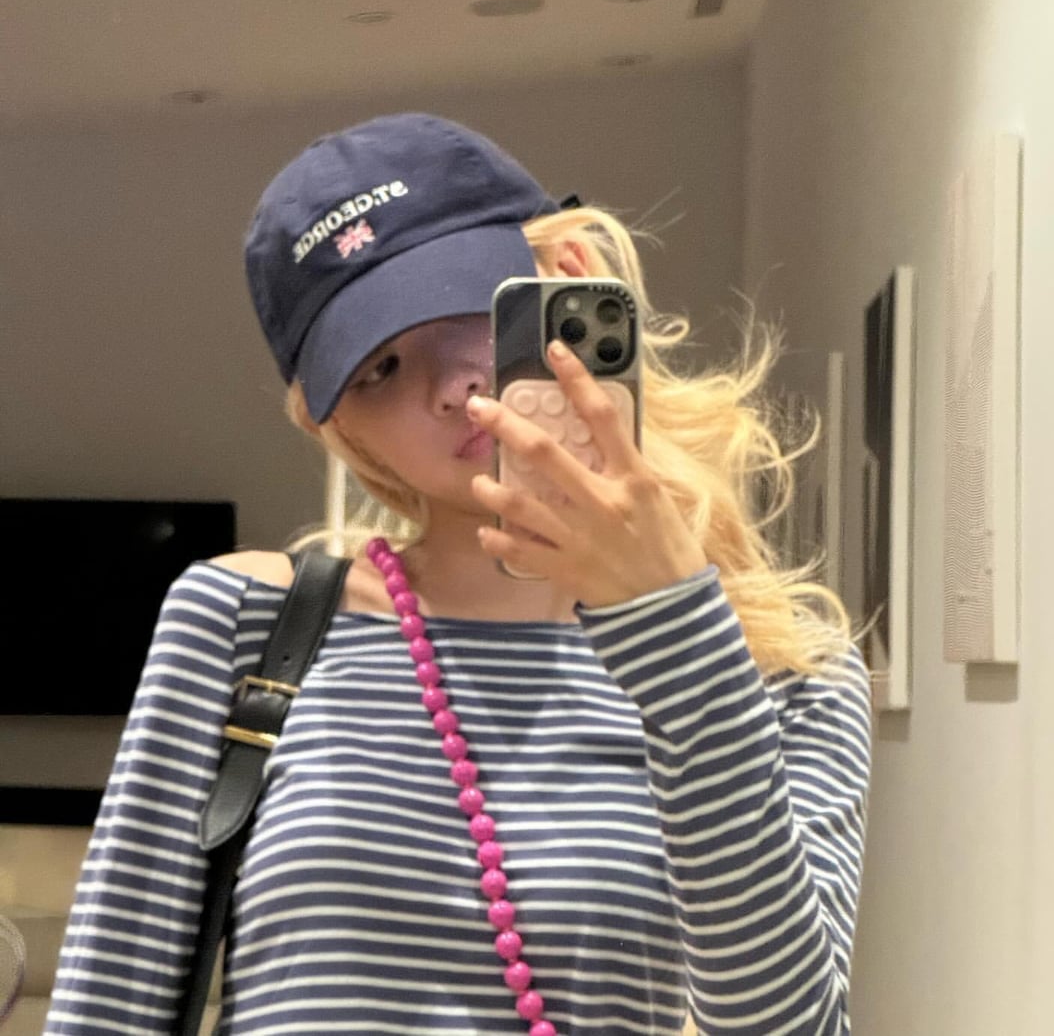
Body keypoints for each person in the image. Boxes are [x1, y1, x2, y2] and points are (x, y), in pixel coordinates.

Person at [45, 113, 871, 1036]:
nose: (446, 386)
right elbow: (104, 1012)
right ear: (340, 426)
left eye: (471, 307)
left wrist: (676, 632)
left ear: (567, 277)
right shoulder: (247, 622)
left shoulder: (788, 671)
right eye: (380, 368)